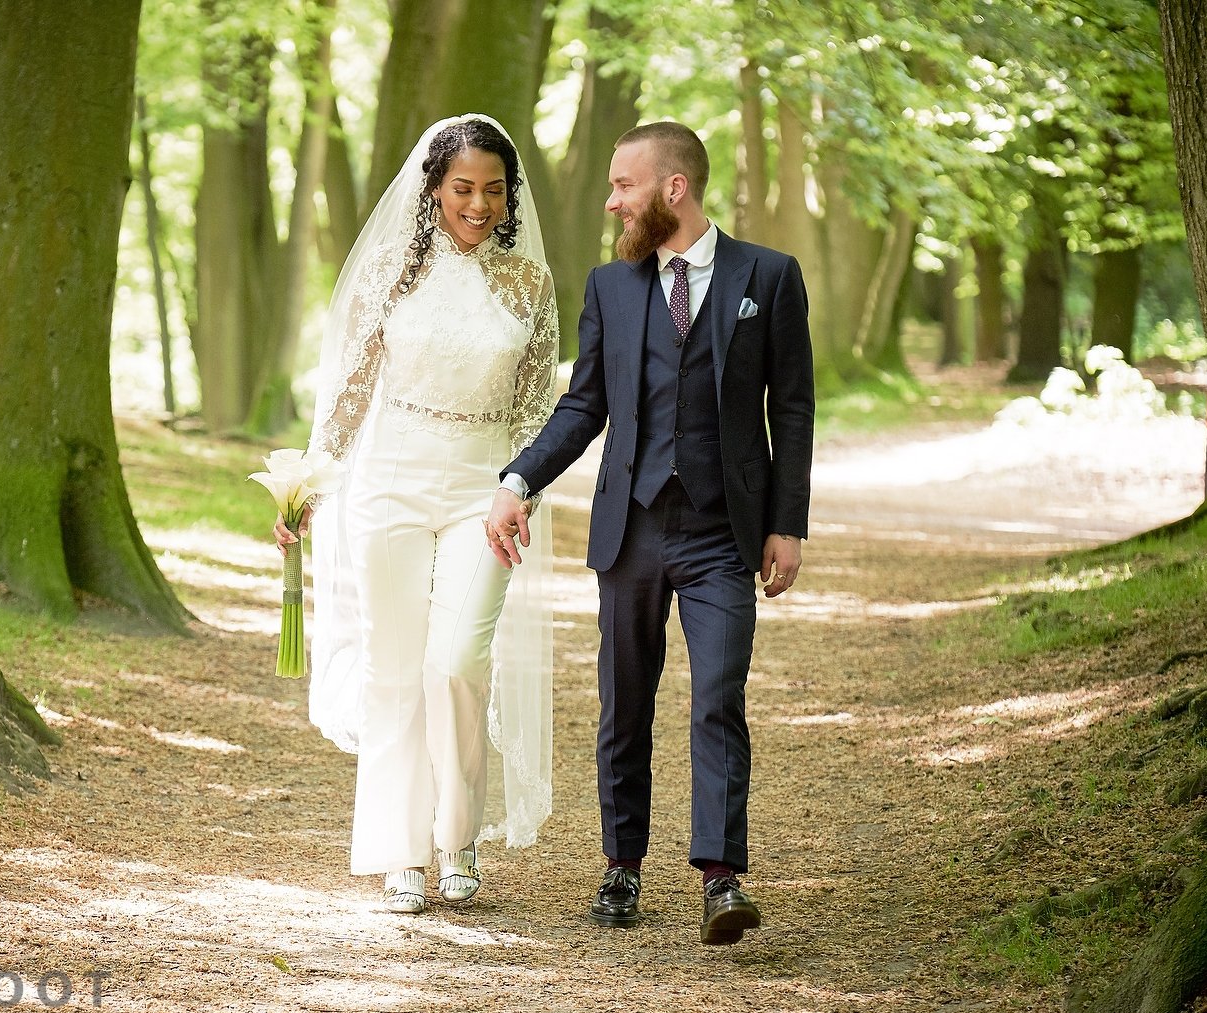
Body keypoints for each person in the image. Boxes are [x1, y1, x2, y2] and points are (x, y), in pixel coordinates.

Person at [484, 121, 814, 944]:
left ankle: (721, 878)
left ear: (675, 187)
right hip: (630, 529)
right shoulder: (611, 285)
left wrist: (787, 524)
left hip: (720, 535)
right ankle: (621, 865)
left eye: (623, 184)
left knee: (717, 696)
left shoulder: (768, 277)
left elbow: (794, 408)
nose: (611, 200)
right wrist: (518, 480)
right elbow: (583, 406)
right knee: (624, 703)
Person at [274, 115, 558, 915]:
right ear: (434, 188)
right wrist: (307, 486)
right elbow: (348, 400)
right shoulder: (387, 278)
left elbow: (538, 411)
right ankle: (401, 849)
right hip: (390, 482)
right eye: (463, 188)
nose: (478, 205)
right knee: (395, 667)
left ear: (511, 198)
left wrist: (522, 485)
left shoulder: (530, 287)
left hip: (484, 492)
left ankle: (457, 834)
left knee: (457, 658)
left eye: (494, 191)